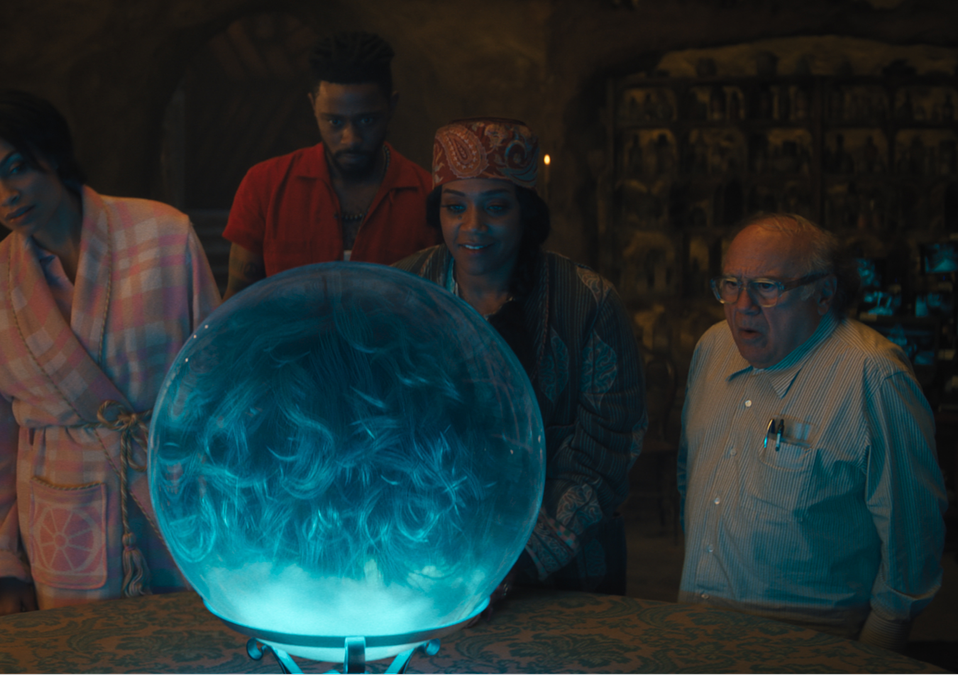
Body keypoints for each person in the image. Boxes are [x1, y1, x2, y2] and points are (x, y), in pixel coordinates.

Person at [0, 90, 220, 614]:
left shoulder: (163, 237)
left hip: (176, 501)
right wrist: (0, 564)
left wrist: (233, 516)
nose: (6, 196)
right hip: (61, 525)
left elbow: (218, 386)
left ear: (52, 153)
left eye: (16, 168)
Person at [396, 118, 647, 595]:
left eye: (495, 207)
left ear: (525, 212)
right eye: (455, 208)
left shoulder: (587, 302)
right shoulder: (402, 293)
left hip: (566, 576)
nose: (473, 228)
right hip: (426, 565)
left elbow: (606, 451)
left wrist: (516, 563)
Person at [677, 213, 947, 651]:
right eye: (731, 283)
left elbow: (912, 542)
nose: (742, 305)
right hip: (695, 634)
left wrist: (872, 655)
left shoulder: (873, 377)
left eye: (767, 286)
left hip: (809, 651)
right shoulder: (712, 347)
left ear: (824, 293)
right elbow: (692, 475)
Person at [221, 31, 439, 298]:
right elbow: (237, 305)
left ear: (391, 106)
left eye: (367, 120)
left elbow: (441, 310)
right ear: (314, 107)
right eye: (335, 122)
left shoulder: (429, 194)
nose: (351, 139)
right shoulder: (265, 185)